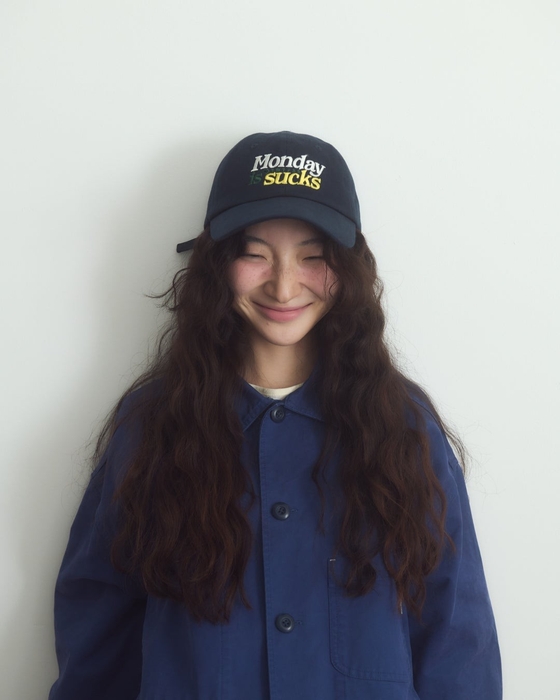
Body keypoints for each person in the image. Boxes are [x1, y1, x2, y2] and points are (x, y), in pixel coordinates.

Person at [49, 131, 502, 699]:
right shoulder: (152, 427)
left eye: (313, 256)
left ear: (349, 267)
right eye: (255, 254)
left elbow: (457, 637)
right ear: (218, 262)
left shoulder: (405, 430)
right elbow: (98, 627)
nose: (284, 286)